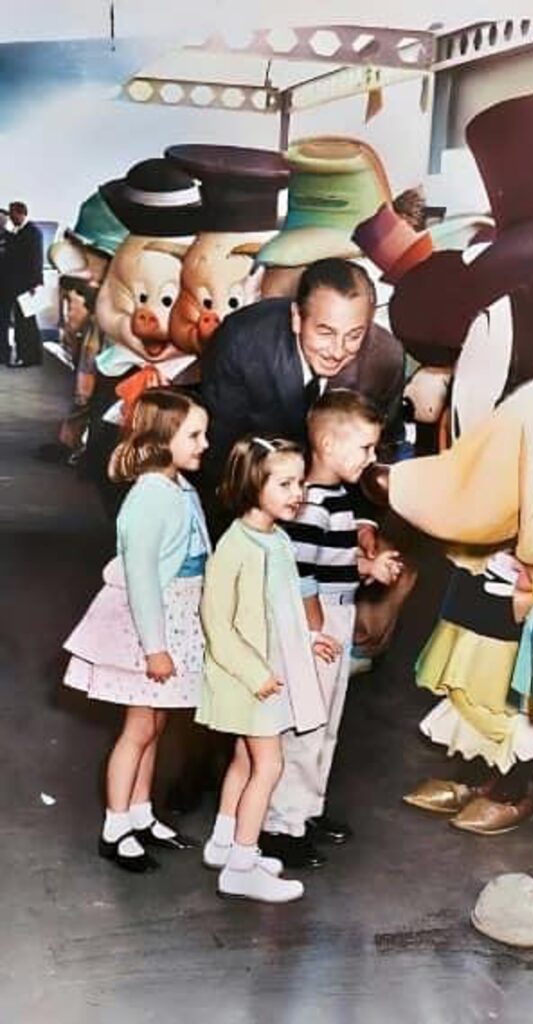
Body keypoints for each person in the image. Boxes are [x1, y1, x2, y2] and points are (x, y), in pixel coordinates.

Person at [63, 389, 211, 872]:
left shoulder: (179, 487)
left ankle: (142, 813)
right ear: (162, 439)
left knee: (157, 724)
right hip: (148, 625)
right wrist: (156, 648)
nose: (205, 443)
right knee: (139, 727)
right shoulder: (149, 497)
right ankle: (115, 826)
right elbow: (144, 577)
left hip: (178, 613)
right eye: (194, 435)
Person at [259, 390, 402, 868]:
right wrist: (316, 630)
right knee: (303, 726)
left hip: (334, 616)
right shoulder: (310, 506)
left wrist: (366, 566)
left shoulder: (336, 498)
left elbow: (329, 562)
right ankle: (280, 825)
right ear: (325, 442)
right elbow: (298, 575)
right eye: (364, 448)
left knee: (325, 724)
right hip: (313, 625)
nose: (371, 458)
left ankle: (307, 808)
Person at [197, 437, 327, 902]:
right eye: (286, 483)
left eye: (301, 483)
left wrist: (311, 638)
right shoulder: (235, 545)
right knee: (268, 765)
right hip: (248, 681)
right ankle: (242, 865)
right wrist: (256, 676)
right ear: (254, 483)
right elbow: (217, 624)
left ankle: (225, 841)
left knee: (244, 758)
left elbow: (283, 607)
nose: (299, 493)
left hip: (266, 675)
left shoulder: (277, 539)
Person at [200, 257, 404, 527]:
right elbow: (221, 456)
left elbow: (381, 449)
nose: (337, 350)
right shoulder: (241, 343)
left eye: (354, 335)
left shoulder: (385, 359)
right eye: (325, 332)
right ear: (297, 318)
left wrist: (365, 521)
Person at [7, 201, 44, 367]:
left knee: (25, 322)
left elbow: (36, 259)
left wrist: (35, 282)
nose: (10, 217)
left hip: (26, 286)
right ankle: (30, 356)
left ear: (21, 213)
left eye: (12, 214)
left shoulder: (32, 232)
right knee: (25, 321)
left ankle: (28, 357)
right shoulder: (21, 232)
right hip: (21, 285)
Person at [0, 208, 14, 365]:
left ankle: (3, 354)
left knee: (3, 322)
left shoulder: (12, 239)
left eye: (2, 219)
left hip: (6, 287)